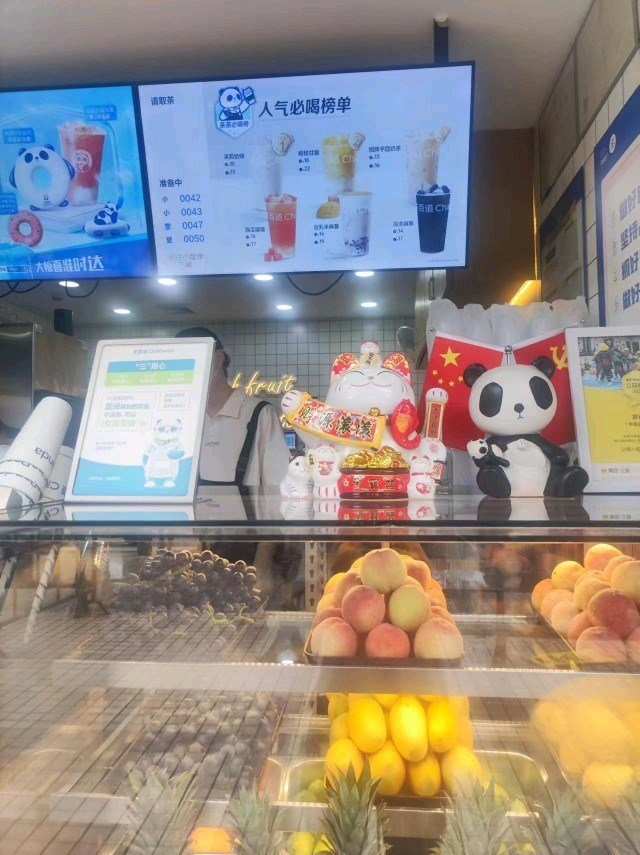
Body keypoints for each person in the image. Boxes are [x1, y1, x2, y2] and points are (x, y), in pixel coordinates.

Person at [176, 326, 290, 487]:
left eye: (193, 358)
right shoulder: (180, 418)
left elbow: (279, 485)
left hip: (245, 505)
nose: (188, 369)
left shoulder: (260, 413)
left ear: (218, 357)